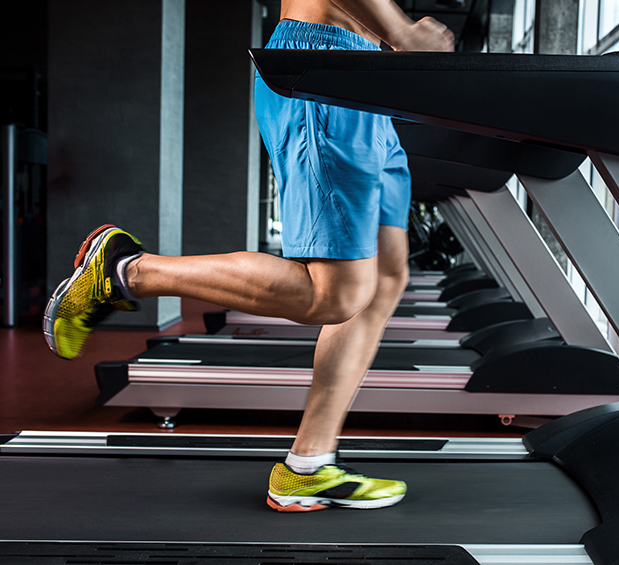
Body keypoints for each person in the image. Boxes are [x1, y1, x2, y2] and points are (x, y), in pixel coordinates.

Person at [43, 0, 455, 512]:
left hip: (370, 77)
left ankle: (308, 466)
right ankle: (127, 271)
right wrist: (399, 30)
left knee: (387, 277)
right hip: (327, 63)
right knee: (337, 296)